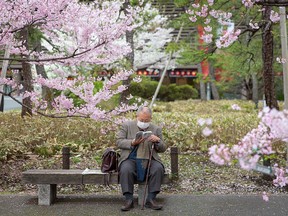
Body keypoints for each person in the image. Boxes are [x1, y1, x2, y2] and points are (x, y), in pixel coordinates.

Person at [116, 106, 167, 211]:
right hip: (130, 158)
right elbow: (118, 141)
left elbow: (162, 148)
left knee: (158, 168)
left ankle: (151, 199)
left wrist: (157, 141)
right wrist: (132, 142)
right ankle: (128, 199)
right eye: (142, 120)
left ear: (150, 118)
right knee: (126, 169)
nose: (144, 122)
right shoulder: (127, 126)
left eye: (147, 120)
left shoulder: (156, 129)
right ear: (137, 116)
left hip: (150, 158)